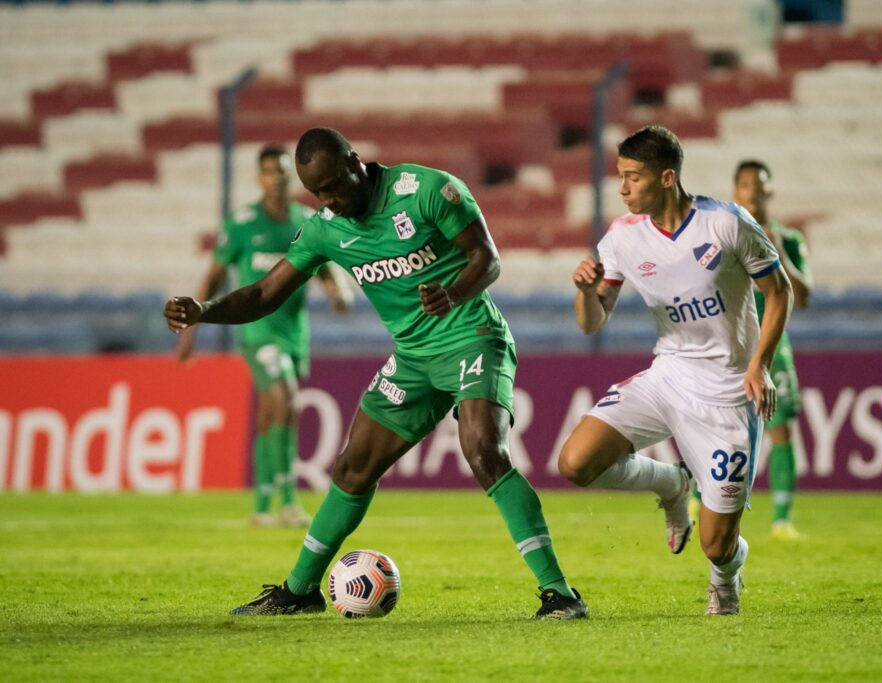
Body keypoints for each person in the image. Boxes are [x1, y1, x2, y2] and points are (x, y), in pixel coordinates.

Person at [164, 127, 588, 620]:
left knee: (483, 451)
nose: (328, 200)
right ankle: (300, 590)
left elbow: (487, 260)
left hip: (472, 336)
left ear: (354, 162)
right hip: (412, 357)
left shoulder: (427, 190)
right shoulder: (325, 228)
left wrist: (452, 293)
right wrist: (205, 310)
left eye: (332, 186)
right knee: (352, 468)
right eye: (316, 193)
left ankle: (560, 593)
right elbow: (264, 293)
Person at [558, 125, 793, 616]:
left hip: (728, 393)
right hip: (668, 377)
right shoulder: (623, 237)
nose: (623, 189)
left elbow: (780, 292)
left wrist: (761, 365)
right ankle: (671, 482)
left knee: (716, 544)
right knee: (575, 462)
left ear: (666, 178)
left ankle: (726, 576)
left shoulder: (726, 224)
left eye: (633, 177)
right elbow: (593, 322)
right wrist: (584, 293)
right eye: (620, 176)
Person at [176, 144, 354, 528]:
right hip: (257, 332)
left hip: (294, 333)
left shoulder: (305, 221)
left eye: (282, 171)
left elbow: (327, 269)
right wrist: (191, 328)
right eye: (269, 171)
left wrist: (338, 292)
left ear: (292, 177)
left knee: (273, 412)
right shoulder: (241, 224)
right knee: (284, 396)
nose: (277, 178)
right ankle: (287, 501)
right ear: (260, 177)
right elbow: (213, 277)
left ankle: (261, 504)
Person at [723, 159, 812, 541]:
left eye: (759, 185)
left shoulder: (788, 238)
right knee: (718, 428)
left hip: (773, 345)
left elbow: (802, 297)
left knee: (781, 429)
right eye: (746, 184)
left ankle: (781, 519)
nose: (753, 192)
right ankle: (697, 500)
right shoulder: (725, 236)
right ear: (735, 190)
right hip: (731, 344)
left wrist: (779, 253)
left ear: (770, 191)